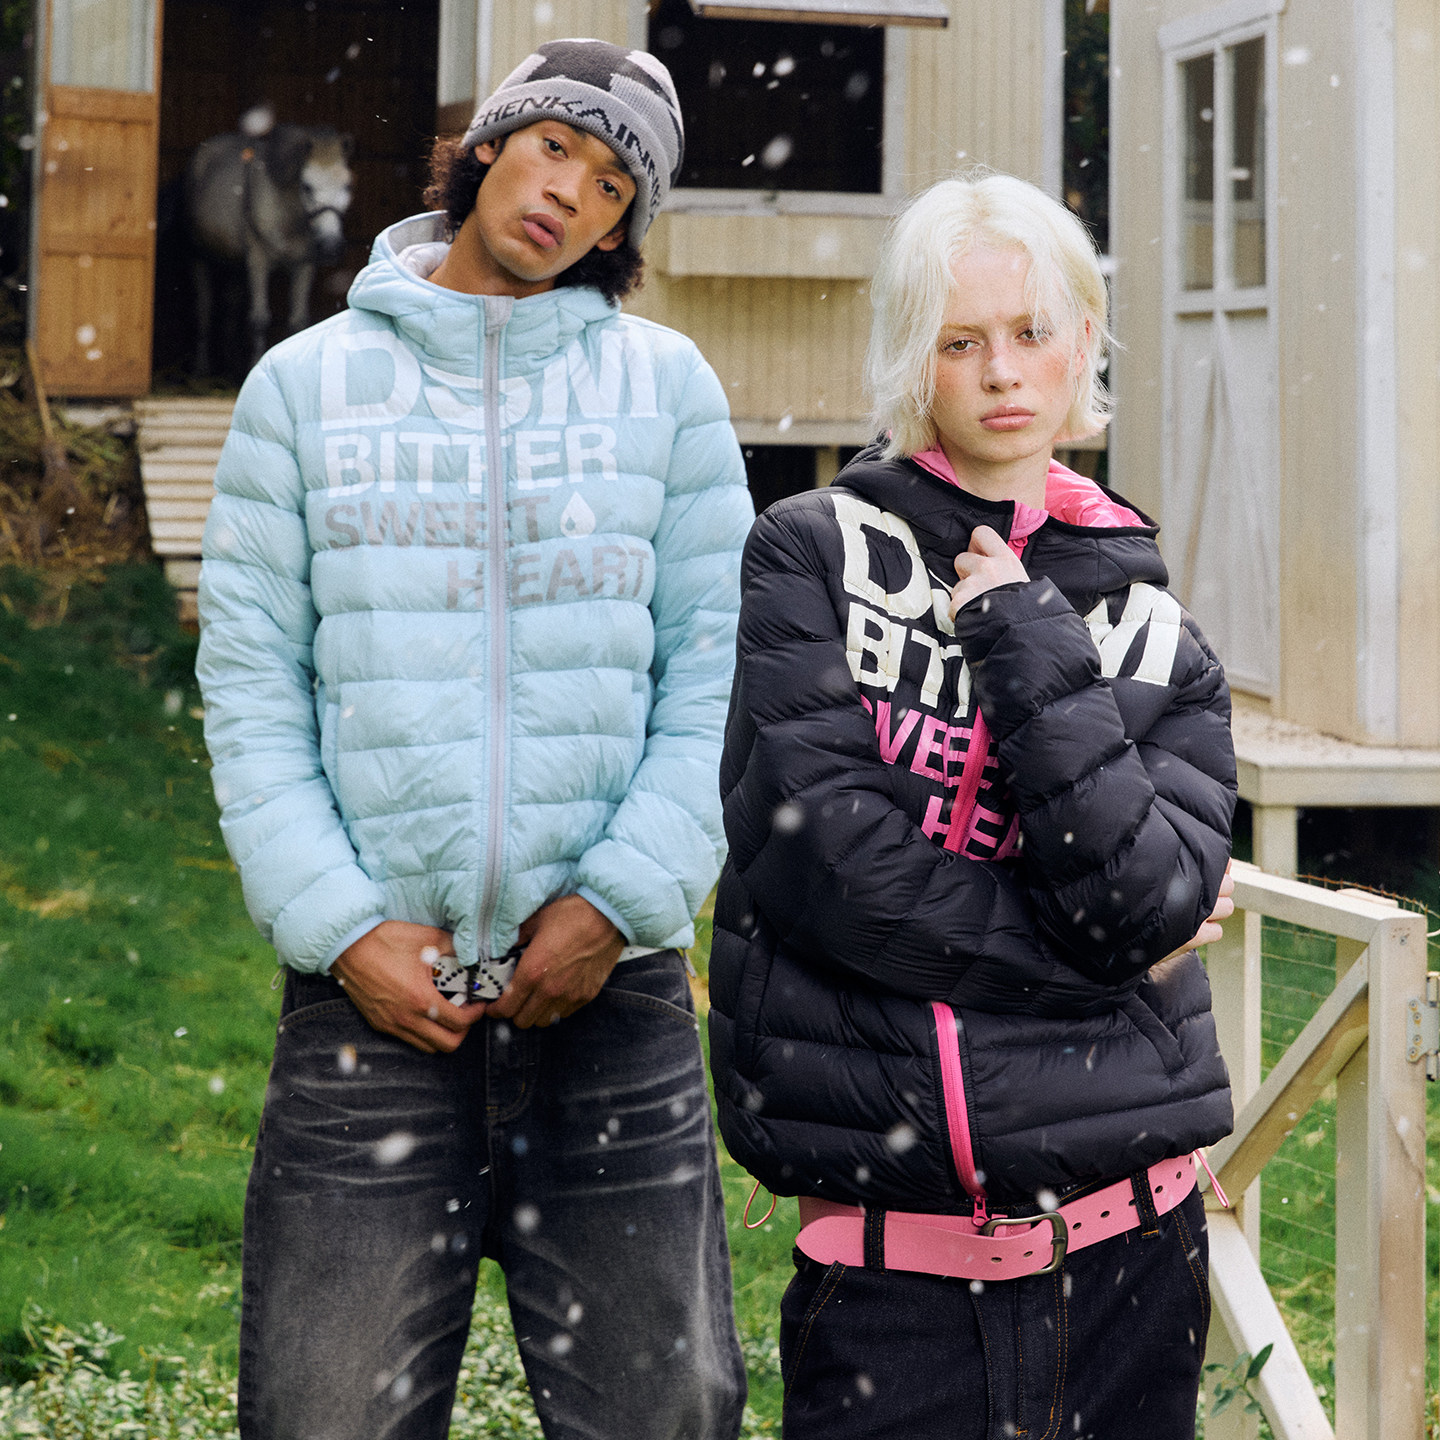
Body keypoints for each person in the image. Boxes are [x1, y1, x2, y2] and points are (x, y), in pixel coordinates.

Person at [196, 38, 752, 1440]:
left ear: (622, 229)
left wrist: (616, 905)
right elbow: (253, 689)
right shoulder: (303, 390)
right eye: (557, 146)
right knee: (323, 1418)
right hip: (370, 1012)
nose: (570, 192)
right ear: (489, 146)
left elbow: (720, 677)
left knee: (663, 1416)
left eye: (614, 184)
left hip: (613, 1007)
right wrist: (341, 930)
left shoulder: (668, 390)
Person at [708, 171, 1237, 1440]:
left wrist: (1022, 633)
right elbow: (832, 875)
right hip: (895, 1279)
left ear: (1083, 340)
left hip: (1133, 1256)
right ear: (914, 359)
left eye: (1031, 332)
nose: (1002, 371)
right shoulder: (811, 552)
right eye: (960, 342)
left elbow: (1141, 902)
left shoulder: (1156, 631)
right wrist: (1093, 971)